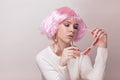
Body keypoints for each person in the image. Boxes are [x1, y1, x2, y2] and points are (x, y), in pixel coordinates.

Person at [36, 6, 108, 80]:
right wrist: (62, 64)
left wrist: (102, 46)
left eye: (75, 27)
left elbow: (96, 78)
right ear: (55, 27)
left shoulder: (80, 56)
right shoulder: (43, 57)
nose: (72, 30)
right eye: (67, 25)